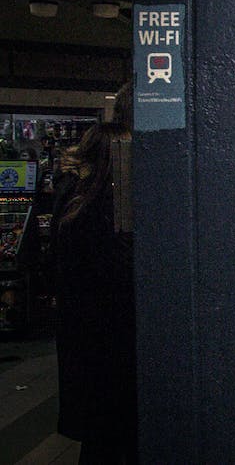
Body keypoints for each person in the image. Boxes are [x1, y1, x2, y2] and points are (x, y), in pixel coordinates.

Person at [51, 120, 136, 463]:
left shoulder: (70, 200)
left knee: (101, 436)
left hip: (82, 339)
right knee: (117, 433)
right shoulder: (104, 209)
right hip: (111, 340)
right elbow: (122, 272)